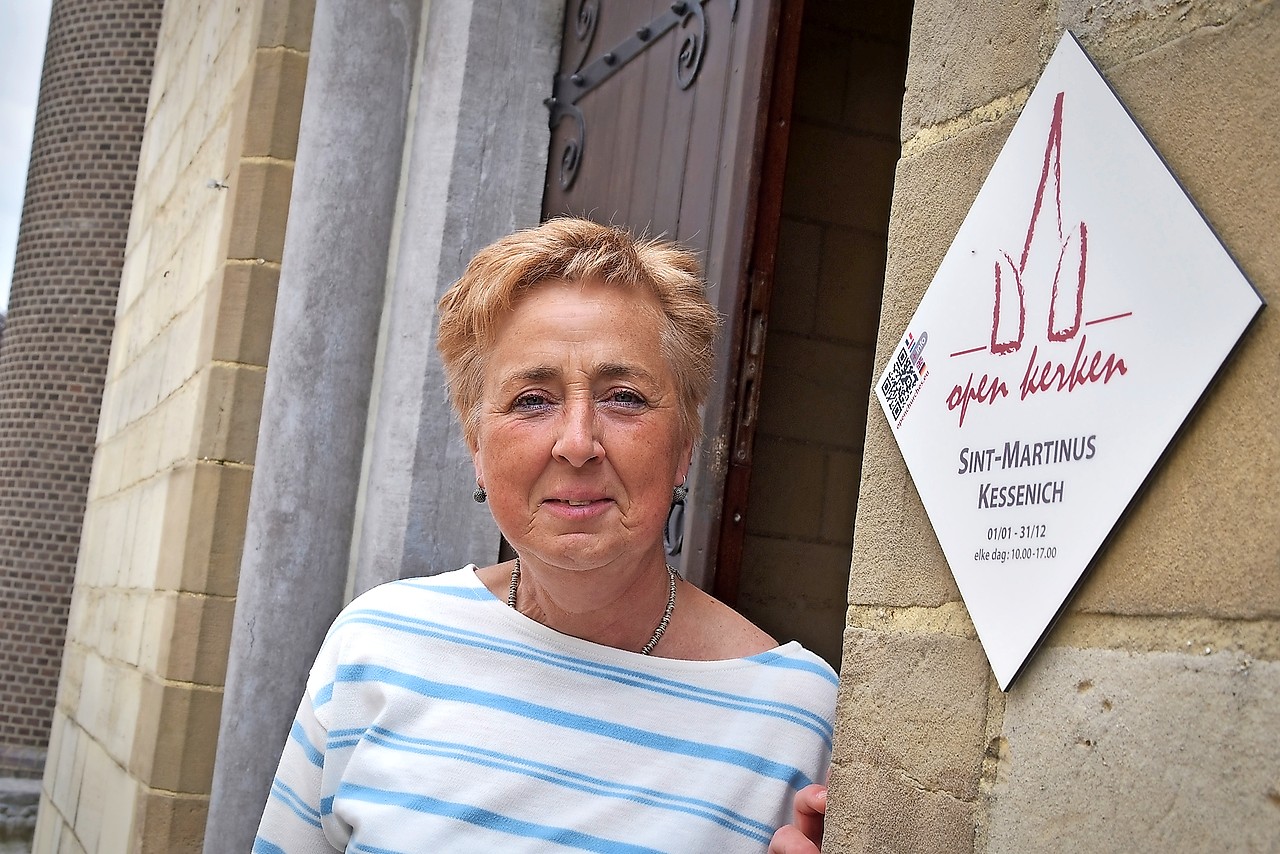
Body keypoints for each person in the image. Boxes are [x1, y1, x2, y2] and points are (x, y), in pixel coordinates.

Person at [254, 218, 838, 852]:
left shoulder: (795, 717)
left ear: (685, 445)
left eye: (625, 397)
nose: (578, 443)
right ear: (476, 445)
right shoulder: (378, 645)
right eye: (533, 400)